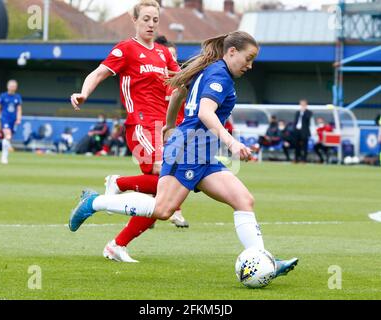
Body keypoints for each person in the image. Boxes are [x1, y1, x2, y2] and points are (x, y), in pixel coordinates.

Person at [68, 31, 298, 280]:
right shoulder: (219, 74)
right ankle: (94, 202)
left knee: (244, 200)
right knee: (163, 209)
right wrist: (231, 142)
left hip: (202, 152)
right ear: (232, 52)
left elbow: (178, 91)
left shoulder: (211, 69)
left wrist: (169, 125)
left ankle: (264, 260)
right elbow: (205, 112)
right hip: (188, 149)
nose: (250, 65)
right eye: (248, 58)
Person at [70, 0, 188, 263]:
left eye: (155, 20)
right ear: (134, 20)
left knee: (163, 199)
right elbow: (99, 73)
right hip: (141, 125)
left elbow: (180, 84)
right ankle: (116, 184)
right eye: (145, 19)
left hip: (164, 128)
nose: (150, 24)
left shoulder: (164, 54)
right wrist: (84, 93)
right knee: (162, 172)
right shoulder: (127, 49)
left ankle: (116, 245)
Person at [0, 79, 22, 164]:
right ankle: (4, 158)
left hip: (13, 120)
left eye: (14, 86)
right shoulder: (3, 96)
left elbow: (19, 109)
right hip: (5, 118)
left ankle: (4, 155)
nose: (12, 87)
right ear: (7, 86)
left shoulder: (17, 97)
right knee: (7, 135)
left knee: (7, 138)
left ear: (16, 87)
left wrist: (18, 118)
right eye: (11, 85)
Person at [293, 99, 312, 163]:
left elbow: (307, 119)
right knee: (296, 146)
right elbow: (295, 121)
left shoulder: (308, 112)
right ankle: (296, 159)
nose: (302, 106)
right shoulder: (297, 112)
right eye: (301, 104)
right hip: (297, 131)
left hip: (304, 132)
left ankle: (304, 159)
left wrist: (303, 112)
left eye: (303, 104)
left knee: (304, 146)